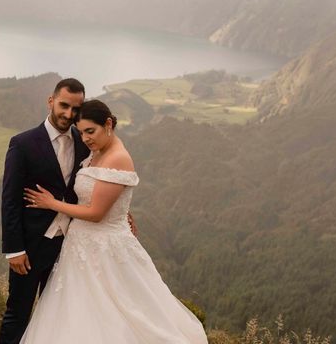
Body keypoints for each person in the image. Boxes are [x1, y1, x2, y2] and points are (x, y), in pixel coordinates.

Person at [20, 100, 208, 343]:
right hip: (80, 247)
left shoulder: (118, 158)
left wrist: (51, 203)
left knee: (117, 312)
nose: (86, 139)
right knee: (79, 311)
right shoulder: (96, 151)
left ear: (108, 124)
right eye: (81, 132)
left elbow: (96, 213)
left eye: (91, 131)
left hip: (105, 249)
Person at [0, 78, 90, 344]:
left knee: (58, 315)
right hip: (30, 247)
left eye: (76, 109)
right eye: (63, 105)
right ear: (50, 101)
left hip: (68, 246)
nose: (69, 114)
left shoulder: (84, 141)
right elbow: (10, 199)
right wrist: (14, 249)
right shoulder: (23, 143)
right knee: (18, 314)